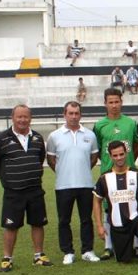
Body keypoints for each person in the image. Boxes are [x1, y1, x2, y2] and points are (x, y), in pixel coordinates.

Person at [0, 105, 51, 272]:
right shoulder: (1, 139)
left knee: (38, 223)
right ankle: (7, 259)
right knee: (11, 226)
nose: (23, 120)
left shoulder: (37, 138)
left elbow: (39, 159)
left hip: (35, 190)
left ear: (30, 118)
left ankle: (39, 256)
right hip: (13, 192)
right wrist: (9, 179)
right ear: (13, 117)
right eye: (19, 117)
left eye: (26, 117)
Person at [46, 101, 101, 265]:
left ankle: (87, 250)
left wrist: (82, 169)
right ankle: (68, 252)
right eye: (70, 113)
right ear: (65, 114)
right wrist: (64, 171)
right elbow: (50, 159)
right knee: (64, 220)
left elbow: (93, 158)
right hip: (63, 186)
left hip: (85, 184)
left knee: (86, 219)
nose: (74, 116)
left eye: (76, 113)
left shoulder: (89, 135)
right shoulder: (54, 136)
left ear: (80, 115)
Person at [92, 141, 138, 269]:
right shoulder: (104, 178)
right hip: (118, 224)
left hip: (136, 219)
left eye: (121, 154)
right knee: (124, 261)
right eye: (115, 155)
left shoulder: (137, 174)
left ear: (126, 153)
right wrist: (100, 226)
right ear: (110, 156)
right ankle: (126, 249)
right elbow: (96, 201)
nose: (119, 158)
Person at [94, 88, 138, 260]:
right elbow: (99, 149)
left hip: (129, 171)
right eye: (110, 102)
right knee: (109, 207)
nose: (114, 105)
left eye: (117, 101)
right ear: (105, 103)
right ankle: (108, 246)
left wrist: (129, 160)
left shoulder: (130, 123)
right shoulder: (99, 125)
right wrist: (108, 163)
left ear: (122, 102)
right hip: (108, 172)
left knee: (132, 205)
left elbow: (136, 145)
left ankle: (136, 245)